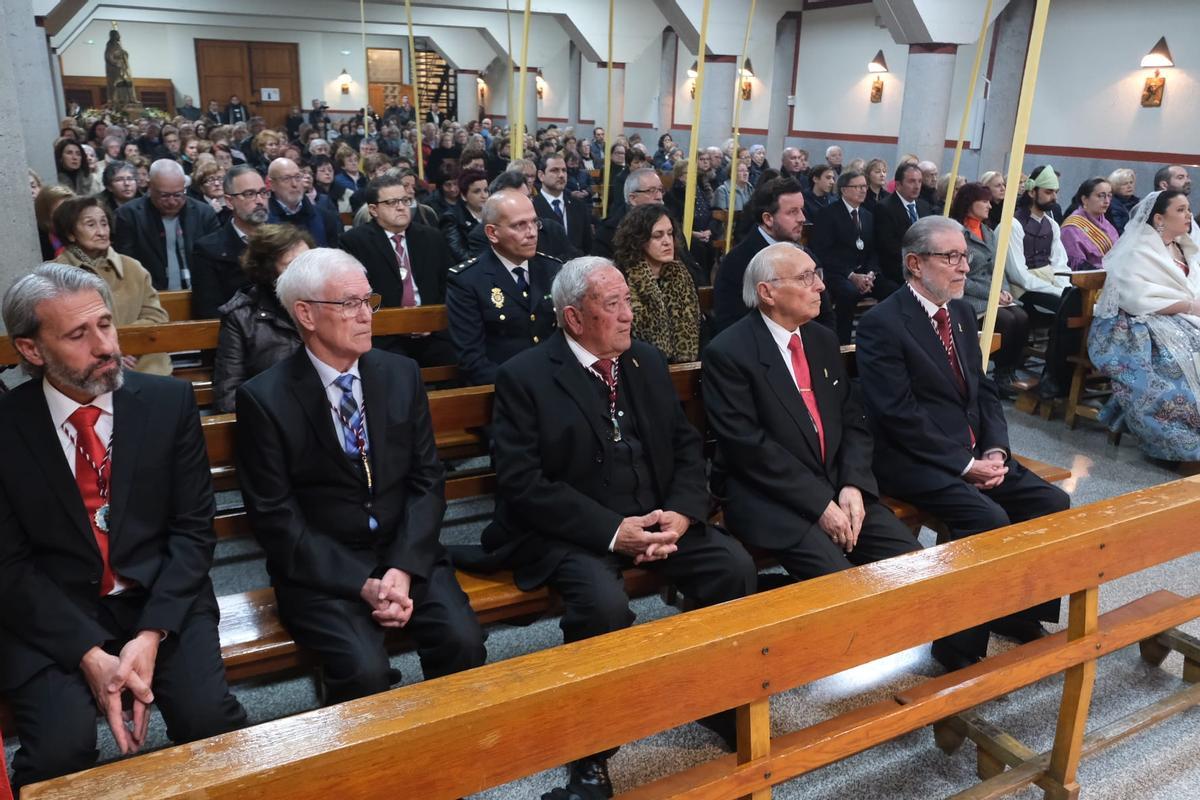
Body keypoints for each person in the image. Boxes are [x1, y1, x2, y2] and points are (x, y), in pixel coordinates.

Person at [480, 256, 756, 796]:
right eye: (614, 305)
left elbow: (683, 445)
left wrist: (680, 511)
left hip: (658, 516)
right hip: (575, 531)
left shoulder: (644, 362)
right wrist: (614, 532)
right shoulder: (525, 377)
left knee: (732, 566)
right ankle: (592, 748)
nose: (630, 315)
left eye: (628, 300)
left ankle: (719, 701)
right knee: (603, 608)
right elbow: (524, 484)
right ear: (574, 319)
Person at [0, 264, 247, 793]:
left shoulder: (167, 402)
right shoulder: (7, 426)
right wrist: (88, 653)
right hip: (53, 610)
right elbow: (8, 565)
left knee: (211, 724)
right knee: (58, 755)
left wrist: (151, 634)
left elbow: (193, 531)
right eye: (78, 334)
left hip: (160, 596)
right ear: (32, 349)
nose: (106, 346)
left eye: (106, 324)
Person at [235, 248, 487, 706]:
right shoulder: (265, 399)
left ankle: (450, 753)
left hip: (405, 551)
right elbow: (276, 518)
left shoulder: (400, 373)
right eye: (348, 304)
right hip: (323, 568)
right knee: (362, 670)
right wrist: (363, 582)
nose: (366, 315)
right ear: (306, 314)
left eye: (368, 301)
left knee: (462, 640)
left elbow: (427, 479)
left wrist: (404, 568)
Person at [856, 216, 1069, 671]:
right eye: (950, 257)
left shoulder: (959, 313)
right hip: (911, 456)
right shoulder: (882, 323)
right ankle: (957, 647)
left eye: (964, 257)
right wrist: (963, 464)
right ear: (915, 263)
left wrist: (995, 451)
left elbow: (983, 390)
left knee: (1051, 503)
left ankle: (1018, 612)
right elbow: (897, 413)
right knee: (986, 518)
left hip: (972, 450)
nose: (963, 268)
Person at [704, 241, 919, 581]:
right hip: (771, 497)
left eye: (816, 275)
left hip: (837, 484)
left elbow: (853, 421)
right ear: (767, 292)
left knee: (914, 565)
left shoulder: (821, 340)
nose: (820, 285)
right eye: (806, 277)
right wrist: (820, 503)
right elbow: (750, 449)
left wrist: (852, 484)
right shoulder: (729, 352)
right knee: (840, 585)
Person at [1089, 190, 1200, 461]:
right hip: (1134, 323)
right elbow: (1136, 298)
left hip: (1181, 317)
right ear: (1159, 218)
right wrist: (1188, 307)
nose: (1189, 215)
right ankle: (1180, 441)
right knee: (1177, 359)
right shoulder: (1138, 249)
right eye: (1181, 209)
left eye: (1188, 209)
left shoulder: (1186, 246)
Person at [445, 191, 562, 385]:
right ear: (492, 233)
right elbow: (472, 361)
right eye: (519, 225)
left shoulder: (552, 269)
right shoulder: (468, 280)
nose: (532, 233)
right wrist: (524, 387)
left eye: (534, 222)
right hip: (504, 388)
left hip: (555, 381)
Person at [339, 175, 457, 366]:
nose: (402, 207)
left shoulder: (431, 237)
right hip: (384, 335)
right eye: (392, 202)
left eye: (405, 200)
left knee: (461, 358)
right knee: (393, 368)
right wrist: (398, 324)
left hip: (432, 331)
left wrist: (432, 321)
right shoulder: (355, 242)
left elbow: (449, 284)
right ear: (373, 210)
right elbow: (355, 295)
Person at [53, 196, 172, 375]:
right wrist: (108, 352)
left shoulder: (132, 267)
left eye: (104, 223)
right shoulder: (55, 274)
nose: (102, 232)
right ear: (70, 233)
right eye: (91, 225)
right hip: (86, 365)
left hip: (141, 360)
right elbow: (59, 329)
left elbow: (156, 316)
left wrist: (126, 347)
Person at [211, 224, 310, 412]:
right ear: (268, 271)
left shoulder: (328, 304)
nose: (306, 272)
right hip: (273, 415)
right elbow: (228, 395)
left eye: (309, 262)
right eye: (292, 265)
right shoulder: (241, 316)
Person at [949, 182, 1029, 398]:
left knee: (1021, 317)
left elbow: (998, 268)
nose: (990, 206)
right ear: (968, 203)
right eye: (984, 201)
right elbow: (958, 276)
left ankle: (1006, 372)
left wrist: (1004, 290)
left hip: (992, 293)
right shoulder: (956, 232)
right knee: (1006, 321)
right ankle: (991, 375)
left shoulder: (988, 232)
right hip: (968, 295)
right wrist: (993, 295)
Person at [1005, 165, 1074, 399]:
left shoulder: (1053, 224)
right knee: (1064, 309)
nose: (1054, 197)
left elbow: (1060, 263)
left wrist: (1064, 286)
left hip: (1048, 280)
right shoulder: (1013, 224)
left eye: (1055, 192)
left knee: (1074, 303)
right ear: (1032, 192)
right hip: (1022, 287)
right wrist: (1053, 290)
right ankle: (1051, 376)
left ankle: (1062, 373)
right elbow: (1017, 273)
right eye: (1049, 192)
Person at [810, 169, 897, 343]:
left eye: (864, 186)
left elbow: (873, 250)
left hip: (864, 273)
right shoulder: (828, 214)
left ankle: (882, 339)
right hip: (838, 273)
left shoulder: (867, 215)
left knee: (893, 291)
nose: (863, 190)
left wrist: (870, 274)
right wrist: (851, 276)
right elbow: (823, 252)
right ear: (843, 189)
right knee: (848, 293)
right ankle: (841, 343)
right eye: (857, 187)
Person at [611, 203, 701, 363]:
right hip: (635, 367)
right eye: (658, 236)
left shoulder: (682, 275)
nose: (667, 242)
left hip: (683, 368)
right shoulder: (622, 279)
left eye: (670, 233)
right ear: (639, 240)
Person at [112, 159, 220, 291]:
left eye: (178, 195)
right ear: (150, 188)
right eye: (164, 196)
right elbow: (126, 264)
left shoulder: (203, 213)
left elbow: (216, 259)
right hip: (149, 294)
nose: (172, 202)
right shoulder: (128, 215)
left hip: (199, 293)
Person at [191, 165, 271, 319]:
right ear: (229, 201)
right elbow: (209, 312)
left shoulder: (283, 242)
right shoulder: (208, 250)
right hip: (237, 336)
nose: (260, 201)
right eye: (249, 194)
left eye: (263, 192)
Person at [266, 157, 341, 247]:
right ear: (271, 184)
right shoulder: (263, 221)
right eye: (286, 179)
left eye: (298, 177)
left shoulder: (324, 217)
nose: (294, 184)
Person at [593, 167, 664, 260]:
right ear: (633, 198)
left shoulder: (669, 224)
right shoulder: (608, 234)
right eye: (651, 191)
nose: (659, 196)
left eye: (660, 190)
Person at [533, 154, 593, 255]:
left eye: (564, 170)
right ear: (541, 175)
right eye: (555, 170)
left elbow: (587, 244)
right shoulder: (532, 207)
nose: (561, 175)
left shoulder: (579, 206)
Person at [1060, 177, 1119, 271]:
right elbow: (1076, 265)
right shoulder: (1072, 228)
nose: (1107, 201)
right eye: (1101, 196)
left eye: (1109, 196)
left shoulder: (1107, 224)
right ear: (1085, 199)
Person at [440, 168, 489, 263]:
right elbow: (458, 253)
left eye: (486, 190)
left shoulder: (493, 214)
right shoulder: (451, 218)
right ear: (463, 195)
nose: (484, 196)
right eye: (477, 191)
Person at [1106, 167, 1139, 235]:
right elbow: (1119, 230)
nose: (1129, 186)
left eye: (1131, 182)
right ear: (1115, 186)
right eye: (1125, 184)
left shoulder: (1137, 203)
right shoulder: (1111, 205)